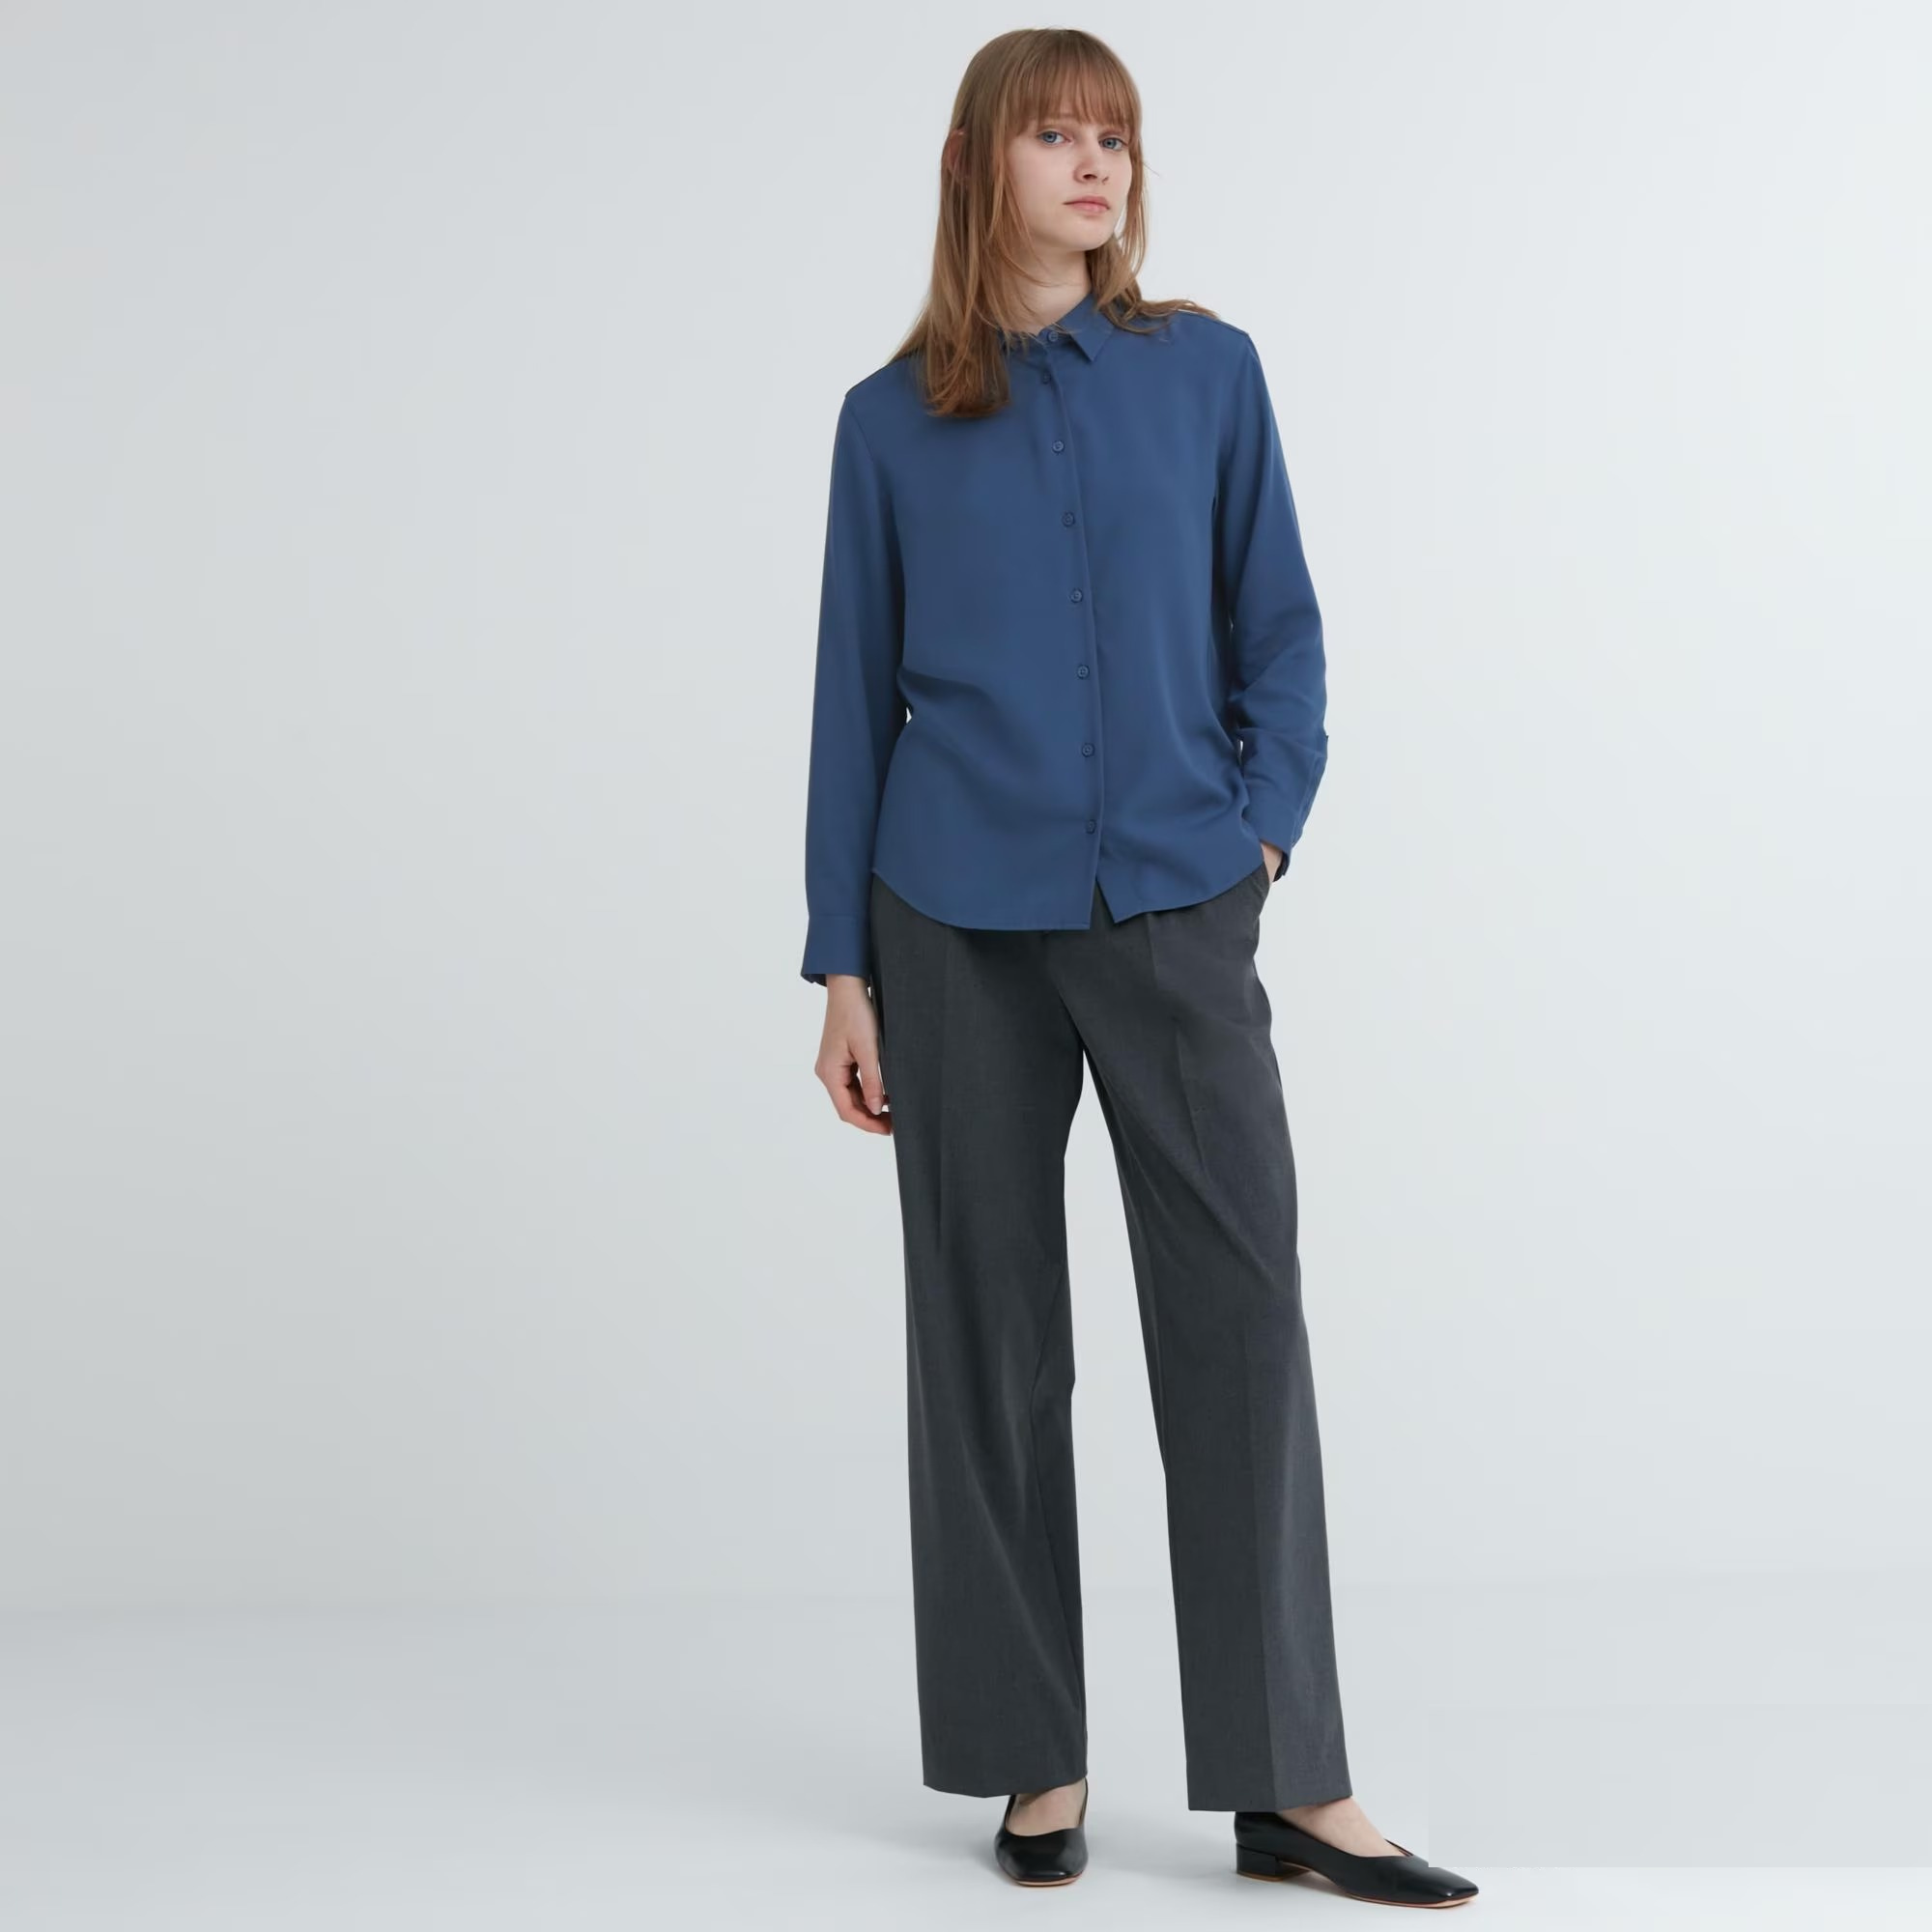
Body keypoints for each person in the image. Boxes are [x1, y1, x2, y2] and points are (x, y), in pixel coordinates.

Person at [799, 27, 1478, 1912]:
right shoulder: (887, 420)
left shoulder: (1207, 373)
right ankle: (1037, 1756)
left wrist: (1259, 831)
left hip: (1178, 903)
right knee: (989, 1337)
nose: (1094, 165)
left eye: (1114, 136)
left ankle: (1290, 1784)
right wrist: (839, 965)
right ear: (977, 166)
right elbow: (851, 696)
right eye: (1054, 136)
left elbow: (1283, 632)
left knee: (1238, 1317)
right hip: (950, 921)